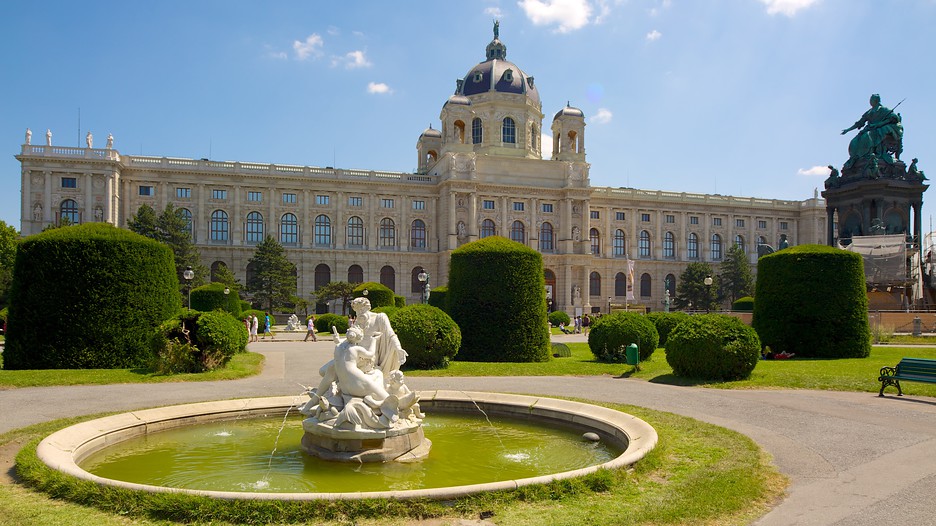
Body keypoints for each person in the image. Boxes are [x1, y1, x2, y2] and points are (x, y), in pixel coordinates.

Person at [351, 296, 408, 378]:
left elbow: (391, 334)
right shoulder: (358, 322)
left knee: (369, 376)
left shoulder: (380, 318)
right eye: (357, 311)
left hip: (372, 357)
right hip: (358, 356)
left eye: (361, 309)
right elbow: (351, 338)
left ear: (368, 307)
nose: (359, 313)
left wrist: (398, 348)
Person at [841, 94, 903, 167]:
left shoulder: (884, 109)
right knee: (855, 141)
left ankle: (870, 155)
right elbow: (859, 123)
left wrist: (880, 123)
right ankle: (857, 157)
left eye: (871, 99)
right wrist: (848, 130)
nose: (870, 101)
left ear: (875, 100)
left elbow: (894, 118)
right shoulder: (869, 112)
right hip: (870, 129)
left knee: (867, 136)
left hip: (878, 130)